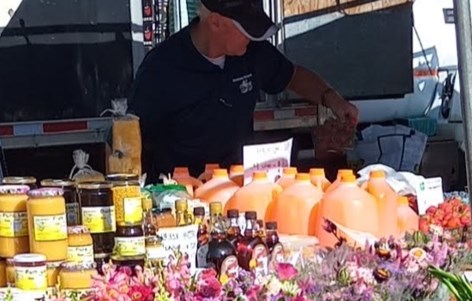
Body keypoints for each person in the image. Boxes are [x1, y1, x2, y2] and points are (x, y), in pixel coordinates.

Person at [128, 0, 358, 180]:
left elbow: (293, 76)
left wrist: (333, 100)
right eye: (245, 28)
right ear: (215, 22)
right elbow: (129, 139)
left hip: (238, 186)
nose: (251, 36)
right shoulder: (161, 69)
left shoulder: (253, 52)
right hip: (180, 195)